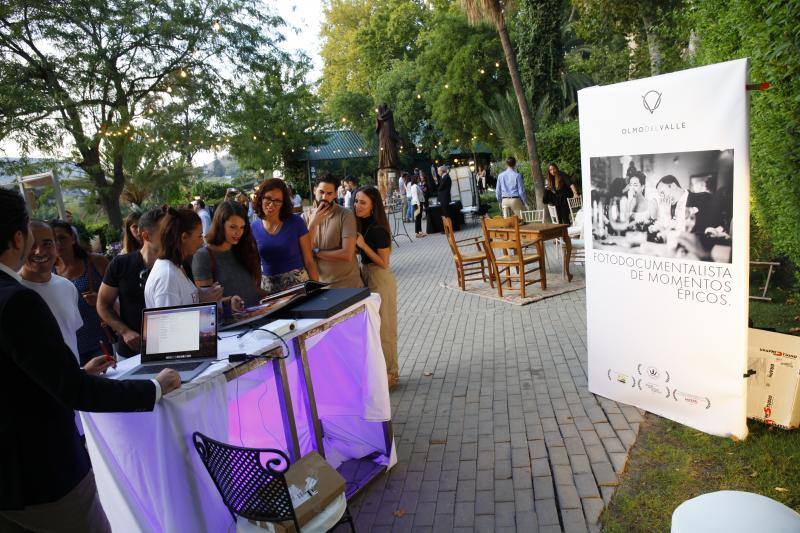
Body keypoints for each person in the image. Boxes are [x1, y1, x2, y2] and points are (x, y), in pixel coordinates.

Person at [0, 188, 181, 533]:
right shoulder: (17, 301)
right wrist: (153, 388)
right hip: (41, 479)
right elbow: (74, 391)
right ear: (18, 237)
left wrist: (72, 372)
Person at [97, 207, 166, 358]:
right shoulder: (120, 264)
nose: (172, 236)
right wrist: (125, 331)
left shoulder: (176, 264)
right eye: (165, 232)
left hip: (170, 349)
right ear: (147, 236)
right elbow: (102, 305)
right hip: (131, 353)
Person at [145, 207, 241, 311]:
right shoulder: (167, 276)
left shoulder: (176, 268)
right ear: (184, 237)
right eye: (199, 236)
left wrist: (225, 304)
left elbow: (186, 307)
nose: (202, 242)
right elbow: (170, 324)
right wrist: (204, 301)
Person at [353, 186, 399, 389]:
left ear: (373, 206)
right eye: (356, 201)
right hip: (366, 275)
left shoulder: (378, 228)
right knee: (374, 329)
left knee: (385, 328)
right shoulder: (361, 224)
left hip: (379, 277)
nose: (357, 206)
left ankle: (391, 373)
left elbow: (384, 262)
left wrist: (363, 246)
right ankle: (380, 372)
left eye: (363, 202)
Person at [51, 219, 110, 366]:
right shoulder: (49, 272)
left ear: (72, 238)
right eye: (52, 240)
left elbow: (119, 295)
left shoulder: (95, 262)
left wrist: (100, 300)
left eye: (62, 238)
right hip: (69, 345)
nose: (58, 244)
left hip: (99, 340)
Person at [252, 178, 319, 294]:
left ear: (283, 203)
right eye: (268, 198)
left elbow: (309, 261)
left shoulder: (296, 222)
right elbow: (254, 265)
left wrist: (317, 291)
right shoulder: (252, 228)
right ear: (260, 198)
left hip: (299, 288)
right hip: (269, 291)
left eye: (277, 201)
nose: (271, 204)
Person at [193, 201, 263, 307]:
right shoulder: (203, 256)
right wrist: (230, 304)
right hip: (233, 322)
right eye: (233, 227)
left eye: (242, 227)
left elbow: (253, 290)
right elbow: (208, 304)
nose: (238, 232)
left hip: (260, 315)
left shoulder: (243, 249)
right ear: (220, 224)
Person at [303, 174, 364, 288]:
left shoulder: (345, 215)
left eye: (329, 193)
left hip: (348, 285)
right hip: (320, 286)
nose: (324, 197)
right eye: (321, 192)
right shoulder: (304, 217)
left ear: (335, 194)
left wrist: (316, 252)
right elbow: (304, 253)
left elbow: (347, 254)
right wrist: (313, 224)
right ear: (314, 190)